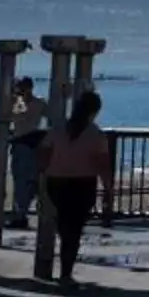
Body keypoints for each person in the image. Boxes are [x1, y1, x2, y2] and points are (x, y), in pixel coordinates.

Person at [37, 88, 114, 282]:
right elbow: (103, 165)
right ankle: (66, 272)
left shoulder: (59, 128)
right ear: (94, 111)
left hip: (56, 182)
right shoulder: (96, 134)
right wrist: (108, 189)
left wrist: (43, 174)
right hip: (82, 183)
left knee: (64, 225)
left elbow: (44, 152)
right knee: (75, 229)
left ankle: (62, 269)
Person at [5, 76, 46, 230]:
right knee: (29, 180)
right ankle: (22, 212)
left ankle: (20, 215)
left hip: (22, 142)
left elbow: (9, 116)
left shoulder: (18, 103)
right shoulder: (39, 102)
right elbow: (52, 118)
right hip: (32, 142)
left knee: (22, 181)